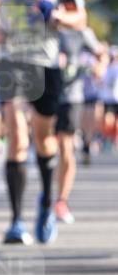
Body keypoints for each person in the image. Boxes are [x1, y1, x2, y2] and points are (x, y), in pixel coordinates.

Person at [0, 0, 86, 244]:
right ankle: (15, 221)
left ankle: (45, 204)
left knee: (44, 139)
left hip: (46, 62)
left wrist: (57, 15)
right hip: (11, 60)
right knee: (15, 136)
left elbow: (80, 18)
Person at [54, 27, 101, 224]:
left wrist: (96, 68)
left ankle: (61, 201)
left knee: (66, 148)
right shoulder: (41, 25)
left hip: (71, 97)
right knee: (46, 147)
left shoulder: (81, 32)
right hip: (44, 95)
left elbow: (100, 54)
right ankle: (47, 194)